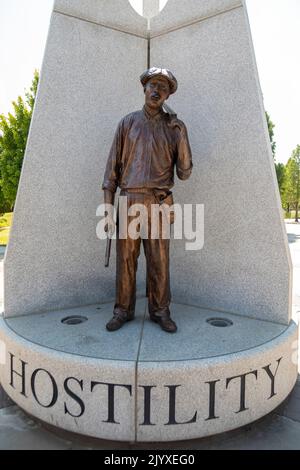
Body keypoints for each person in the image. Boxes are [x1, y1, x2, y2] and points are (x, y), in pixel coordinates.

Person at [102, 67, 193, 333]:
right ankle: (122, 310)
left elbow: (185, 173)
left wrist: (182, 135)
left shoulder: (174, 127)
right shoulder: (127, 123)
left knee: (159, 259)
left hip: (160, 201)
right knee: (126, 258)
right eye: (153, 85)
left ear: (167, 96)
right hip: (129, 199)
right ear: (144, 88)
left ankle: (161, 311)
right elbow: (111, 171)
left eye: (163, 88)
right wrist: (108, 208)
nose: (156, 90)